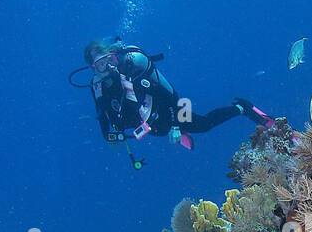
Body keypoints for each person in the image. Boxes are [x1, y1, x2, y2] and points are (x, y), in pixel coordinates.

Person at [72, 38, 272, 170]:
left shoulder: (134, 68)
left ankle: (242, 107)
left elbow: (171, 96)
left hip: (174, 105)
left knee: (203, 125)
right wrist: (110, 135)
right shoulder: (98, 85)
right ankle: (177, 130)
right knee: (158, 130)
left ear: (113, 56)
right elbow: (102, 115)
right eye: (99, 65)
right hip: (151, 120)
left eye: (107, 60)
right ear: (92, 68)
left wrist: (176, 126)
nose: (105, 67)